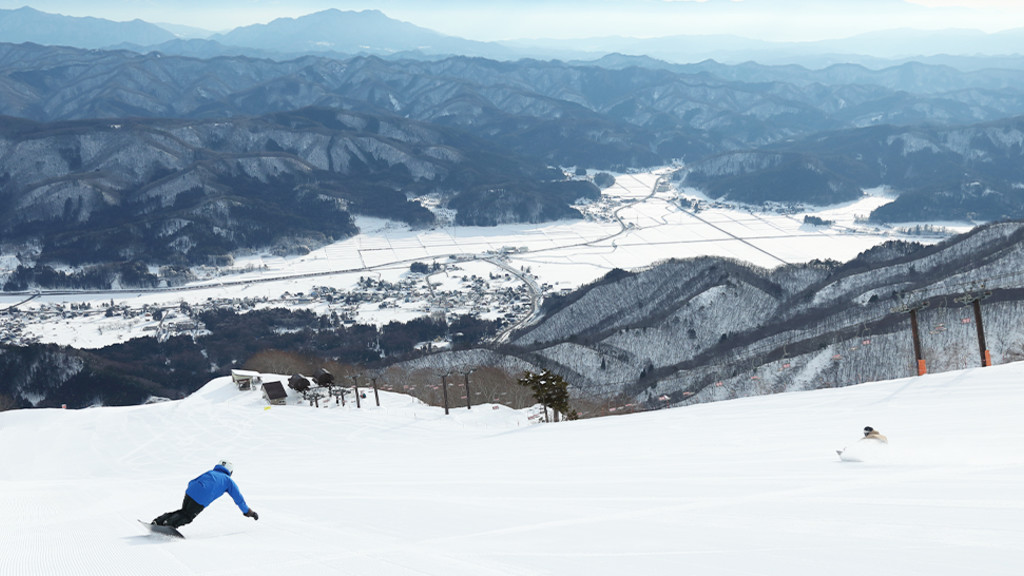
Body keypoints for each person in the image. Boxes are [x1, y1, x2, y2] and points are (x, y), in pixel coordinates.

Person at [153, 460, 259, 528]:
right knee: (188, 516)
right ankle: (169, 525)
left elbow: (194, 480)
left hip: (190, 491)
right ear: (230, 472)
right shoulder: (228, 481)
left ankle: (159, 521)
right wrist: (249, 512)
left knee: (183, 511)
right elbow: (239, 499)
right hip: (201, 498)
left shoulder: (211, 472)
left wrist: (191, 489)